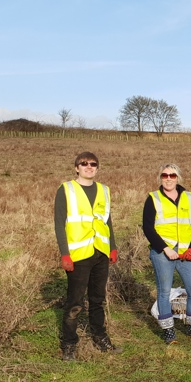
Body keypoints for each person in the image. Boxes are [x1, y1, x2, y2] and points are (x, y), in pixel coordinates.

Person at [53, 151, 121, 361]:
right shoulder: (66, 189)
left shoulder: (104, 190)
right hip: (78, 254)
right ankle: (69, 344)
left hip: (100, 252)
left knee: (98, 299)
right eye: (84, 164)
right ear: (76, 167)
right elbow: (59, 224)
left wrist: (113, 246)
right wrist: (65, 254)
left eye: (93, 164)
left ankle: (100, 337)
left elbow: (107, 221)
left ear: (97, 168)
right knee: (75, 301)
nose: (89, 166)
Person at [141, 163, 191, 345]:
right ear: (160, 178)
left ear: (178, 177)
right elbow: (148, 228)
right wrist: (165, 249)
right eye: (165, 175)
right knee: (164, 292)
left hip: (186, 252)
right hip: (163, 252)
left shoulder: (188, 197)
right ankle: (168, 331)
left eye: (172, 175)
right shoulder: (153, 198)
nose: (168, 179)